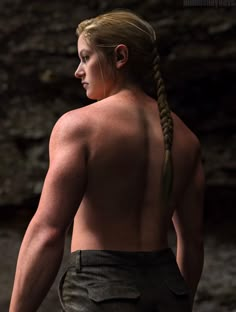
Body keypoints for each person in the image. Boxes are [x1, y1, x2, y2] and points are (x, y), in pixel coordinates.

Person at [10, 9, 204, 312]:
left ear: (120, 56)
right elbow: (192, 243)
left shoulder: (79, 127)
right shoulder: (186, 137)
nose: (78, 70)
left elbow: (47, 231)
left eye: (85, 57)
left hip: (103, 290)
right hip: (169, 291)